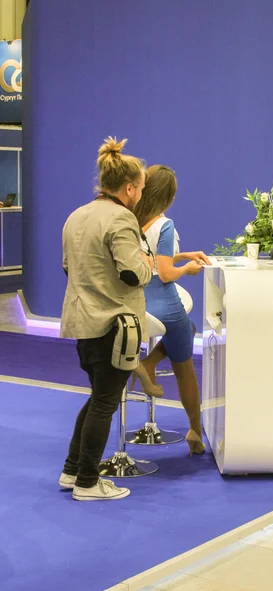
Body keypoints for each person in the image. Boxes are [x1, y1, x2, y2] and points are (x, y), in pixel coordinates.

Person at [59, 137, 156, 501]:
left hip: (83, 322)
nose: (140, 194)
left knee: (98, 396)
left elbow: (68, 267)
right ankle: (87, 482)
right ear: (129, 188)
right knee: (105, 402)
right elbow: (132, 273)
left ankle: (72, 471)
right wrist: (148, 267)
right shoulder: (121, 218)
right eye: (141, 189)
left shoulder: (76, 216)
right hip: (115, 325)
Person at [133, 165, 210, 456]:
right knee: (185, 369)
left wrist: (181, 254)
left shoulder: (134, 220)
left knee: (187, 329)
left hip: (139, 300)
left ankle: (149, 363)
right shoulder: (165, 225)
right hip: (163, 303)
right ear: (169, 196)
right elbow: (165, 273)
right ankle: (195, 430)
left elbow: (151, 258)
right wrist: (187, 268)